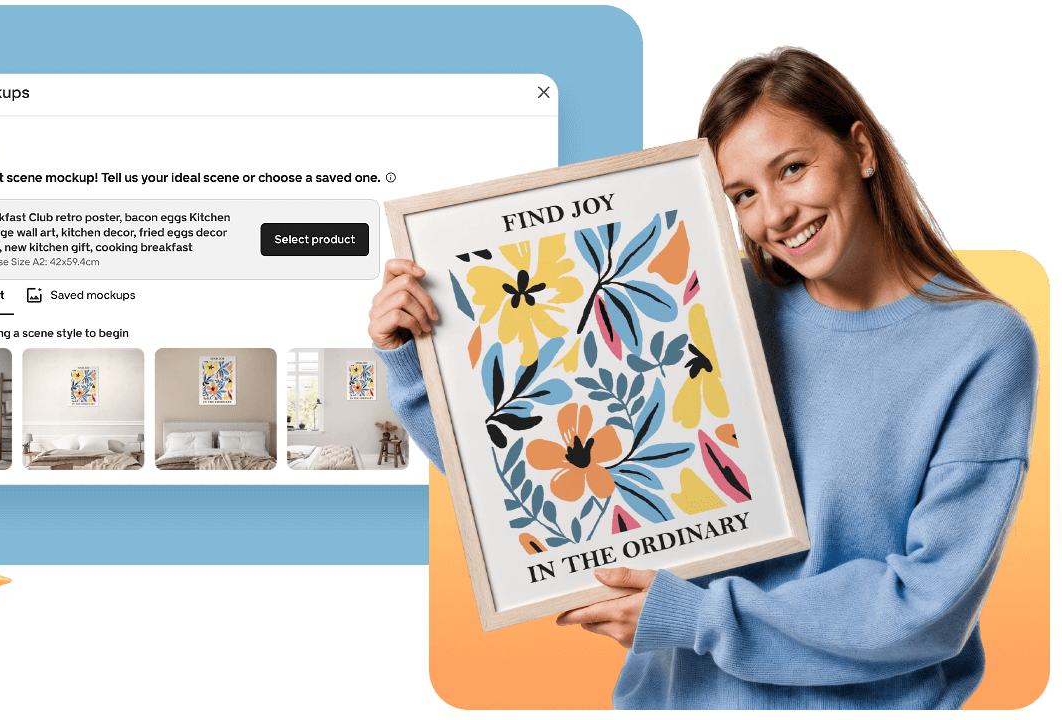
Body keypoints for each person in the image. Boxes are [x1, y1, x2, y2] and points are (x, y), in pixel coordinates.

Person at [370, 47, 1038, 709]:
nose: (774, 216)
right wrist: (413, 357)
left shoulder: (980, 344)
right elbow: (527, 470)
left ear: (862, 150)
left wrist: (701, 617)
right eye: (743, 196)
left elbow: (929, 604)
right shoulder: (710, 298)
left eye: (794, 169)